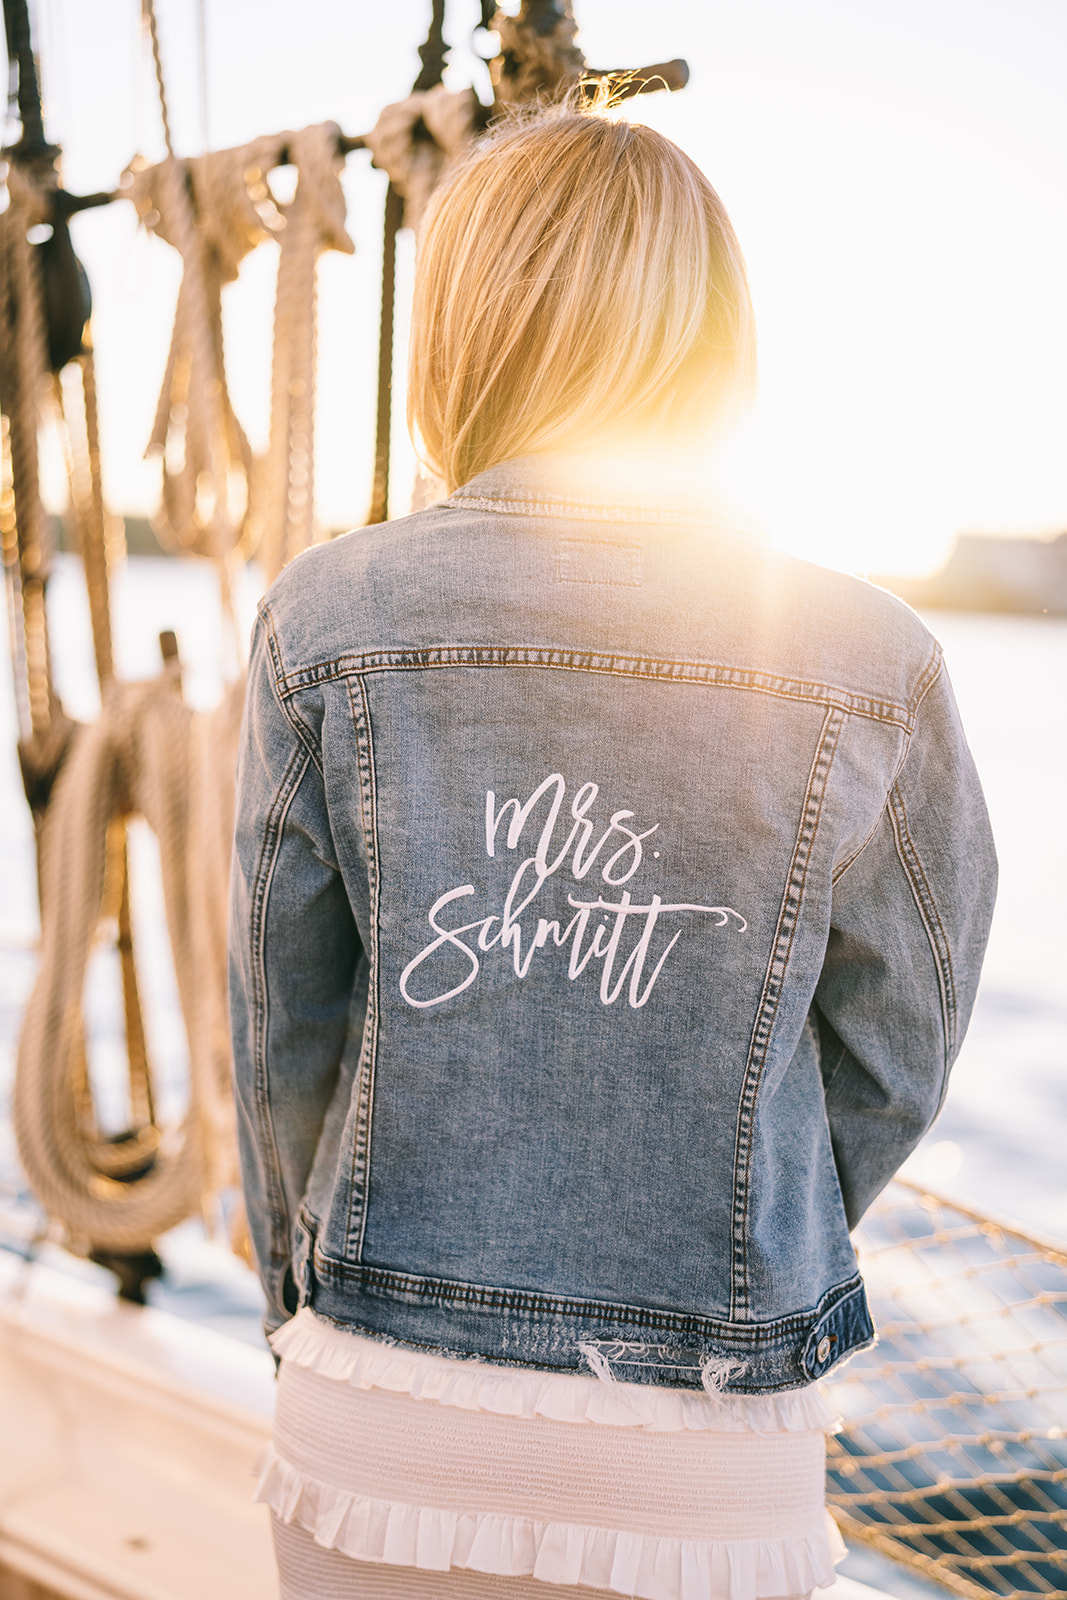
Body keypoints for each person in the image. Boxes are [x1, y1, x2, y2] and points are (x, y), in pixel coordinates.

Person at [229, 98, 996, 1600]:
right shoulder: (871, 659)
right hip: (709, 1444)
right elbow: (902, 1048)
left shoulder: (323, 625)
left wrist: (306, 1293)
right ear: (718, 343)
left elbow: (284, 1034)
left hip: (383, 1413)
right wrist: (736, 1207)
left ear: (464, 331)